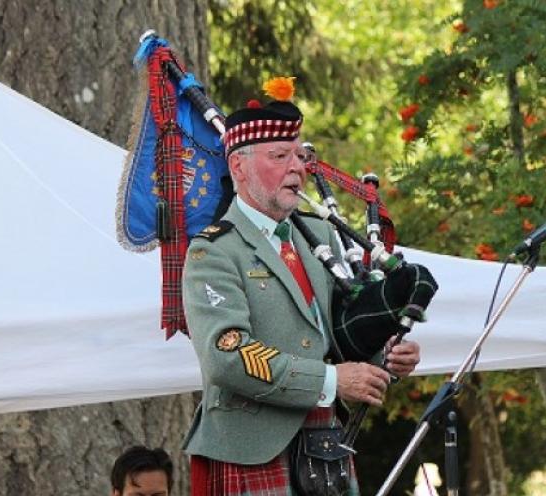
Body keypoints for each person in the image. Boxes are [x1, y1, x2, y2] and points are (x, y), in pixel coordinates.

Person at [181, 90, 428, 495]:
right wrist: (330, 380)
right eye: (279, 156)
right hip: (251, 447)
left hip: (325, 445)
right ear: (238, 166)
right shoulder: (214, 250)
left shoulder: (321, 236)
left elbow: (337, 332)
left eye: (299, 157)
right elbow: (227, 354)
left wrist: (381, 354)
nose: (296, 168)